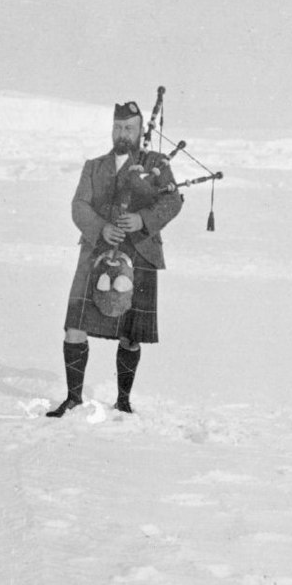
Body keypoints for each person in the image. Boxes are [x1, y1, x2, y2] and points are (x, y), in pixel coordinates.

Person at [47, 101, 184, 417]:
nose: (123, 133)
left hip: (140, 251)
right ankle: (73, 398)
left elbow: (173, 201)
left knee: (131, 334)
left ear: (140, 131)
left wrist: (142, 220)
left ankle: (123, 400)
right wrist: (101, 228)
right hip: (96, 250)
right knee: (74, 327)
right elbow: (79, 206)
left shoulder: (156, 163)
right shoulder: (94, 166)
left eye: (130, 128)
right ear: (112, 129)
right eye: (118, 127)